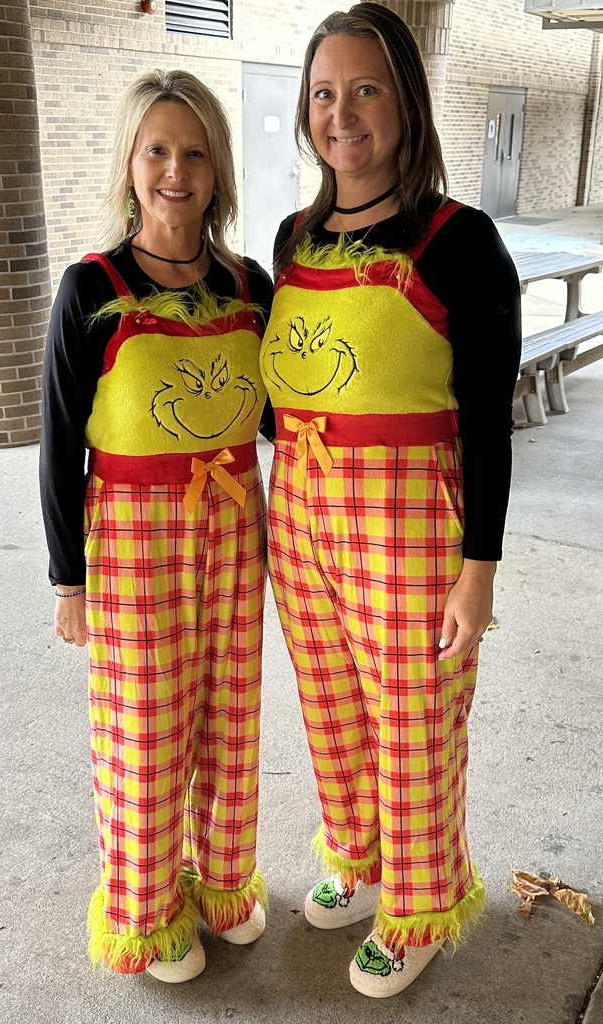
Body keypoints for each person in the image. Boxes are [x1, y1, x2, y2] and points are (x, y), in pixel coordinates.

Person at [259, 1, 521, 999]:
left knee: (411, 722)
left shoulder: (457, 237)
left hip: (407, 523)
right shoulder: (288, 239)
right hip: (302, 517)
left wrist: (477, 571)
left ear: (404, 101)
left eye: (364, 87)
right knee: (332, 710)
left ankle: (417, 901)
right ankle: (361, 860)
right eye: (324, 93)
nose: (342, 113)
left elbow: (487, 424)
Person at [39, 69, 275, 983]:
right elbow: (61, 445)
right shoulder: (89, 289)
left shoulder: (249, 286)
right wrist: (69, 580)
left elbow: (275, 411)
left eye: (195, 152)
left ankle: (221, 882)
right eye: (157, 150)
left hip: (234, 526)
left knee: (228, 717)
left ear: (216, 171)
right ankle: (147, 907)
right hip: (134, 541)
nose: (176, 169)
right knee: (145, 728)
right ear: (131, 166)